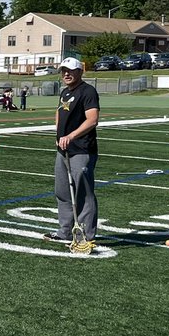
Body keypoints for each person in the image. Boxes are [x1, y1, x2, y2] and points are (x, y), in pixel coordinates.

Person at [48, 56, 100, 244]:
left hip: (82, 149)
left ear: (80, 72)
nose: (66, 74)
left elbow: (92, 120)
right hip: (63, 150)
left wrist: (71, 136)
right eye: (63, 71)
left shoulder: (88, 91)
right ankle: (65, 231)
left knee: (83, 193)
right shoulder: (64, 92)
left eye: (70, 70)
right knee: (62, 191)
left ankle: (86, 234)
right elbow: (59, 113)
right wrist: (59, 133)